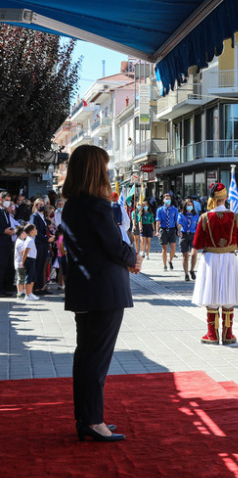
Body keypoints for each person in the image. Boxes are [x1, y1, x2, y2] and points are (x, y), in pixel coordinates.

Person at [60, 145, 141, 442]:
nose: (108, 172)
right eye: (104, 166)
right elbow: (112, 245)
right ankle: (93, 421)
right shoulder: (96, 205)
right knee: (95, 360)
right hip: (104, 291)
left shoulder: (72, 204)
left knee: (85, 356)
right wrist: (132, 257)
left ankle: (86, 418)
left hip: (84, 289)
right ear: (96, 169)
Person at [192, 183, 238, 344]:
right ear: (226, 198)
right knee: (228, 294)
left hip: (211, 259)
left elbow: (197, 244)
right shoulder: (235, 217)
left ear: (212, 198)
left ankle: (212, 334)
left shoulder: (205, 218)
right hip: (229, 259)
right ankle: (228, 334)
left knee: (211, 295)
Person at [29, 197, 51, 294]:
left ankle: (41, 286)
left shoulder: (43, 216)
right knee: (38, 265)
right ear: (35, 206)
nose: (42, 206)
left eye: (43, 204)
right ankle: (36, 288)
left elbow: (46, 229)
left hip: (44, 244)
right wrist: (46, 239)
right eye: (40, 205)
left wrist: (51, 235)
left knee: (42, 265)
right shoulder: (34, 216)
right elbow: (36, 231)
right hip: (38, 244)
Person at [177, 199, 200, 282]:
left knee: (194, 254)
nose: (189, 206)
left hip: (193, 235)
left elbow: (198, 224)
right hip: (184, 235)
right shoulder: (181, 214)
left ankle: (192, 270)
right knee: (185, 256)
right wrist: (179, 230)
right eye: (187, 205)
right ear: (185, 206)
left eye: (190, 204)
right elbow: (179, 223)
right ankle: (186, 274)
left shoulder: (196, 215)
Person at [155, 193, 179, 271]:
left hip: (172, 230)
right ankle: (165, 265)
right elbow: (158, 221)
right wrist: (157, 231)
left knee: (173, 248)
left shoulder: (174, 210)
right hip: (163, 229)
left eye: (169, 199)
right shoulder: (160, 210)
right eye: (166, 199)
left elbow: (176, 221)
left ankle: (170, 261)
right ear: (163, 200)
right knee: (164, 248)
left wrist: (179, 230)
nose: (167, 200)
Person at [15, 224, 38, 300]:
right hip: (29, 260)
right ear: (31, 231)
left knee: (32, 277)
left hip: (32, 259)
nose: (36, 230)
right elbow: (26, 252)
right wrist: (23, 262)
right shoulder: (29, 240)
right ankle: (27, 295)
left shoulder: (30, 239)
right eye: (35, 229)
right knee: (29, 278)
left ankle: (30, 293)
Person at [0, 194, 16, 296]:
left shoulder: (5, 211)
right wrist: (3, 231)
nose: (8, 202)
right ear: (0, 199)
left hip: (8, 243)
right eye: (6, 200)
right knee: (2, 266)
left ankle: (6, 287)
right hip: (1, 243)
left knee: (8, 266)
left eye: (9, 200)